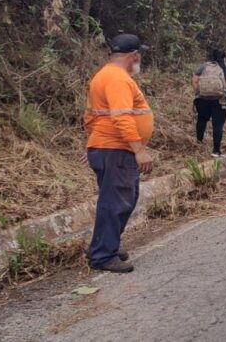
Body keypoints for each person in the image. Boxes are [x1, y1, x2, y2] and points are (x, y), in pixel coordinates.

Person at [83, 33, 154, 273]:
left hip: (108, 147)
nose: (139, 59)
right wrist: (139, 150)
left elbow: (92, 116)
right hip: (116, 149)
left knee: (120, 199)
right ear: (134, 55)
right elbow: (121, 116)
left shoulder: (106, 75)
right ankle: (103, 255)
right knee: (117, 202)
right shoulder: (117, 79)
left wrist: (94, 143)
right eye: (139, 55)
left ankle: (104, 245)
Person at [192, 49, 226, 157]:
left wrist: (198, 92)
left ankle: (199, 143)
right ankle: (216, 151)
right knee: (218, 125)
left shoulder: (204, 66)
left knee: (201, 120)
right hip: (220, 100)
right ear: (224, 57)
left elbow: (194, 80)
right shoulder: (225, 67)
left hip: (202, 99)